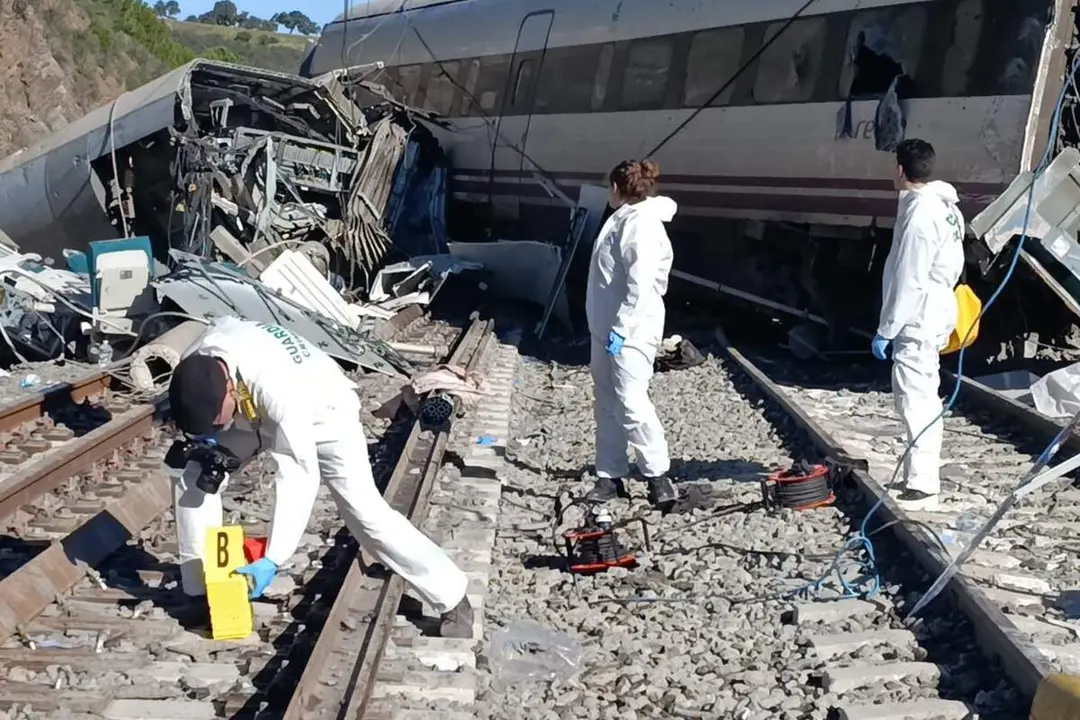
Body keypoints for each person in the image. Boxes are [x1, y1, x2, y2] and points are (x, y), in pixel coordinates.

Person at [166, 316, 473, 638]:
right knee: (195, 472)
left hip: (324, 413)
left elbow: (298, 476)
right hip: (254, 413)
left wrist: (274, 557)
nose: (216, 428)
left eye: (217, 421)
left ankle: (452, 597)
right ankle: (200, 592)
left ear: (230, 390)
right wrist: (201, 444)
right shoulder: (199, 359)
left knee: (365, 513)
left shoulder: (276, 387)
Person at [871, 138, 965, 512]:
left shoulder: (920, 214)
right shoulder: (945, 207)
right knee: (923, 391)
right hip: (938, 305)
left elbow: (908, 276)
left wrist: (887, 328)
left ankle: (922, 484)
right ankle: (920, 476)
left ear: (899, 169)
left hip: (920, 312)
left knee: (915, 397)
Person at [584, 159, 679, 511]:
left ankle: (658, 477)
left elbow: (640, 286)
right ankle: (610, 474)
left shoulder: (641, 225)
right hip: (607, 328)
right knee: (607, 402)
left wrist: (622, 330)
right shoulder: (623, 218)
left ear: (615, 187)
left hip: (631, 331)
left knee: (631, 401)